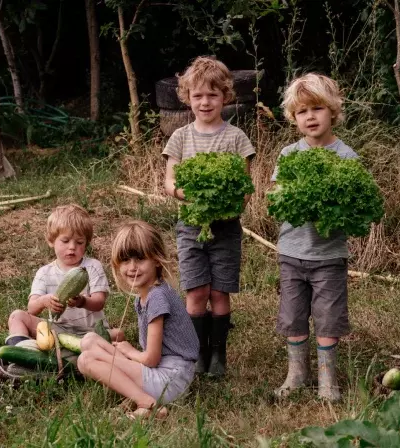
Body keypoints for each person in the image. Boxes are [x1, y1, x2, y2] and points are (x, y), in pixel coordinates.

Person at [162, 56, 255, 376]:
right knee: (197, 292)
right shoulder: (180, 138)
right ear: (187, 98)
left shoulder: (236, 138)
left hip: (226, 228)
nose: (205, 102)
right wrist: (185, 194)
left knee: (219, 292)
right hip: (191, 226)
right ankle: (196, 354)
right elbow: (169, 181)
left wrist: (226, 202)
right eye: (198, 95)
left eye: (212, 95)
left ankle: (218, 355)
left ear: (225, 97)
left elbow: (244, 187)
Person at [271, 73, 358, 401]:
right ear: (294, 118)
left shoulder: (346, 156)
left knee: (328, 316)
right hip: (292, 252)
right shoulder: (288, 155)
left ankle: (327, 378)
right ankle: (296, 373)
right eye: (302, 111)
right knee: (292, 315)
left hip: (329, 256)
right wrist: (289, 196)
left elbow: (357, 202)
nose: (310, 116)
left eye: (317, 108)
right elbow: (277, 197)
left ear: (333, 111)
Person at [77, 221, 199, 419]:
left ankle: (147, 402)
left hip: (171, 379)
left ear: (157, 260)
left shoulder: (157, 297)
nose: (132, 267)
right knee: (89, 340)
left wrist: (128, 351)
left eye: (140, 258)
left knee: (86, 359)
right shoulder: (143, 297)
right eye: (125, 260)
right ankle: (139, 398)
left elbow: (151, 359)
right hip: (164, 372)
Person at [6, 204, 123, 346]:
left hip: (91, 332)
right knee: (17, 316)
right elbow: (31, 309)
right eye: (65, 241)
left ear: (86, 243)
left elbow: (99, 302)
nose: (72, 247)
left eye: (79, 242)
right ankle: (19, 348)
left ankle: (56, 349)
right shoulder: (44, 273)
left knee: (118, 334)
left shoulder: (92, 266)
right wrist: (44, 301)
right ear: (51, 241)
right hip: (57, 330)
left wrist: (82, 302)